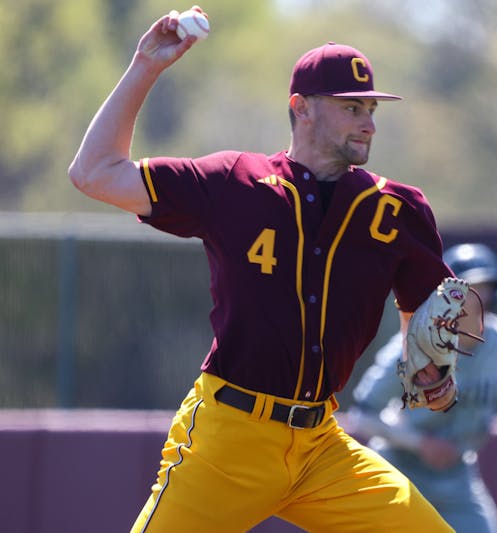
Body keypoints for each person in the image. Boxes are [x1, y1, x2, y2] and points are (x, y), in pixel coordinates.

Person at [68, 6, 462, 532]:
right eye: (351, 107)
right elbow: (94, 173)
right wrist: (146, 65)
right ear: (301, 108)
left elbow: (423, 316)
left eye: (371, 107)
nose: (368, 121)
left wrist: (431, 370)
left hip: (322, 445)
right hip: (230, 437)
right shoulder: (235, 180)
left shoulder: (396, 207)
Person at [348, 243, 497, 533]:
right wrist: (420, 443)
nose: (474, 300)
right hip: (401, 469)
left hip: (458, 474)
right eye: (465, 290)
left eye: (483, 288)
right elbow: (362, 415)